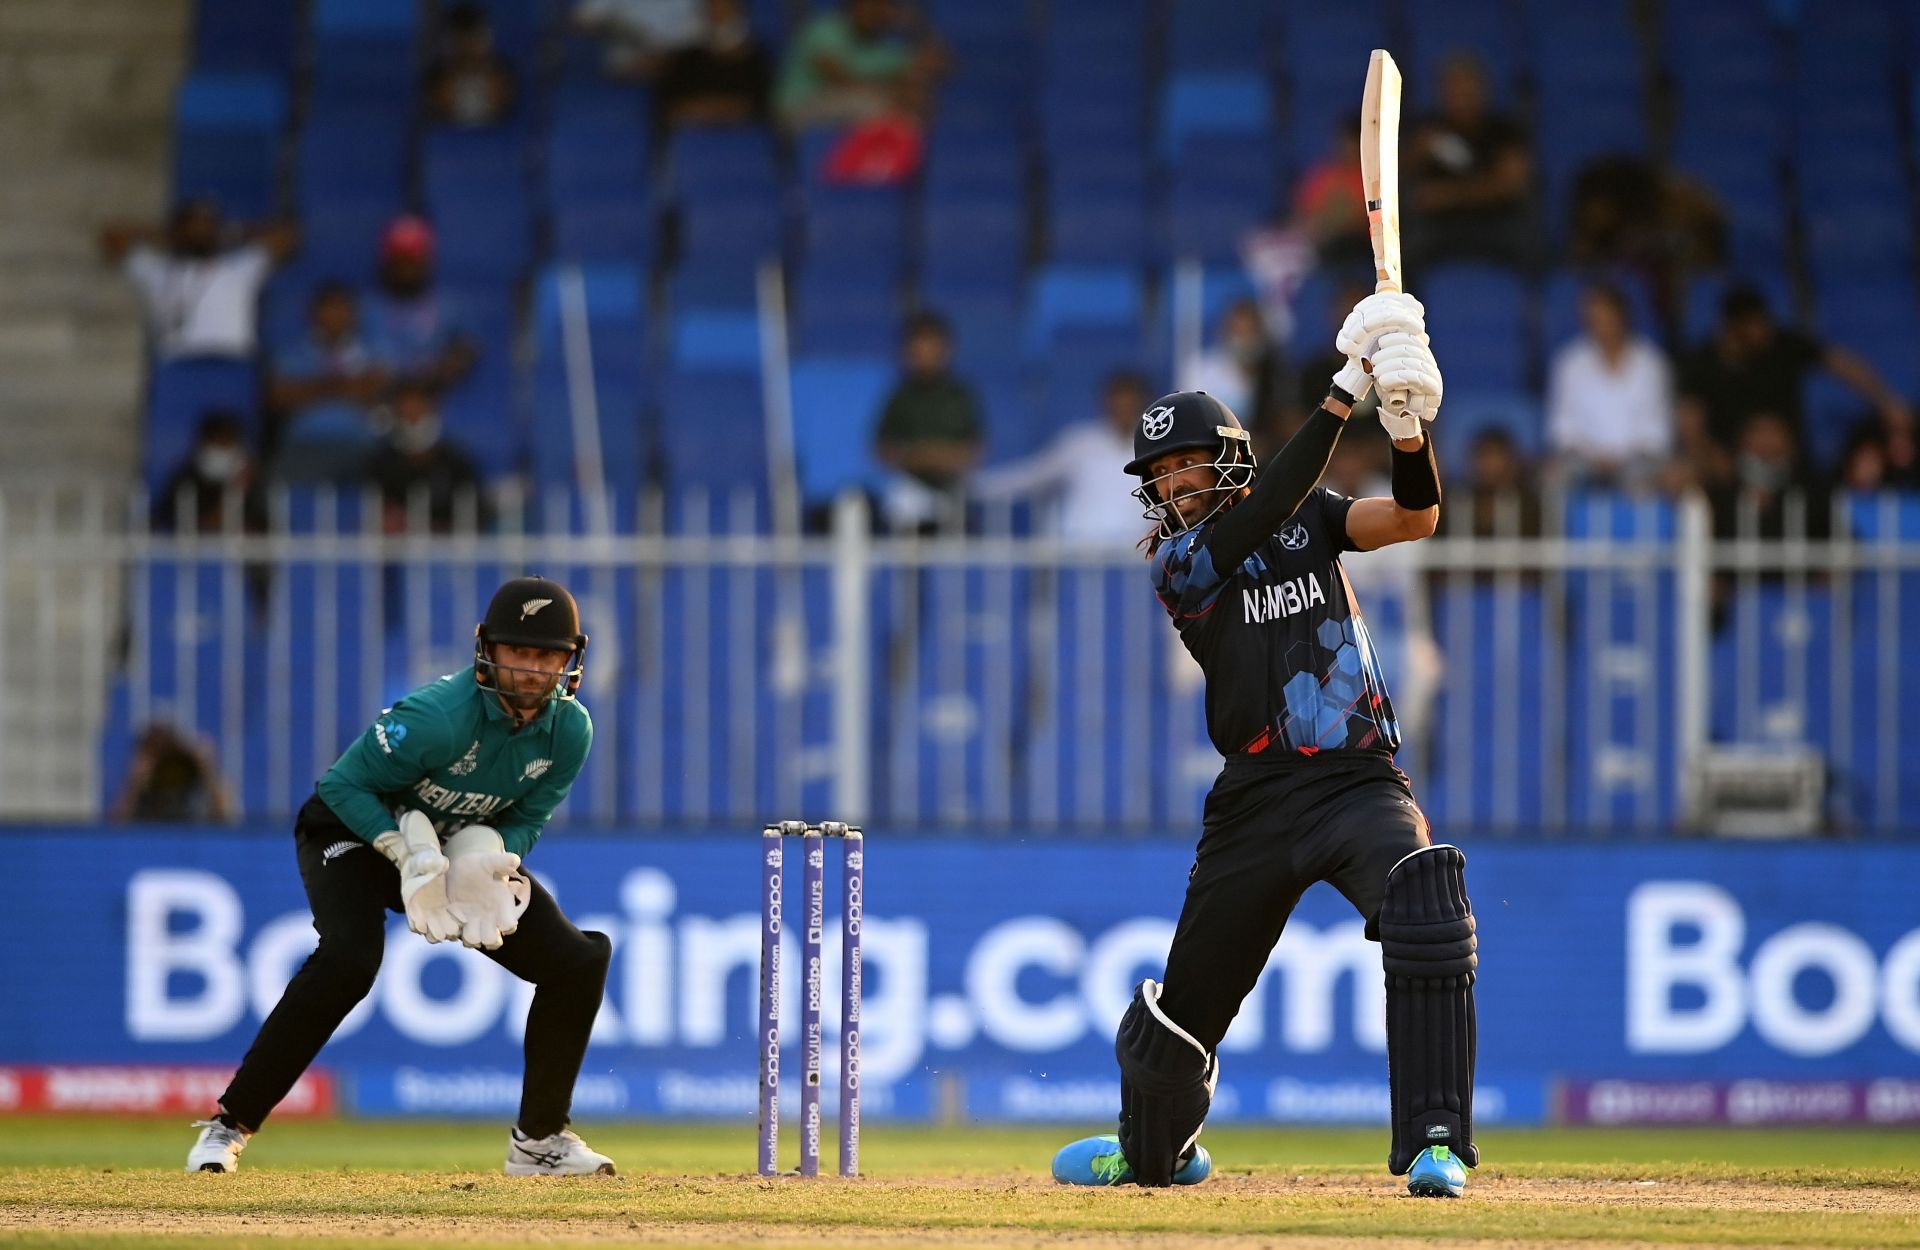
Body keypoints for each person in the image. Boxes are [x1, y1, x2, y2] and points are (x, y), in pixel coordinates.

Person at [1049, 291, 1478, 1200]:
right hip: (1254, 797)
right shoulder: (1181, 564)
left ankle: (1437, 1144)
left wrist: (1405, 432)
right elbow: (1260, 513)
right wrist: (1340, 394)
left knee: (1425, 908)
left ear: (1229, 457)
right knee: (1186, 1009)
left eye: (1186, 465)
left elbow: (1411, 520)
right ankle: (1155, 1150)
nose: (1171, 486)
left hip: (1359, 780)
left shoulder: (1311, 514)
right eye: (1157, 475)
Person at [185, 578, 614, 1177]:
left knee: (579, 960)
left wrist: (485, 857)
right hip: (353, 834)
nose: (534, 670)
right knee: (350, 961)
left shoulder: (570, 731)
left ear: (572, 659)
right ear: (487, 649)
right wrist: (399, 850)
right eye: (520, 652)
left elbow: (529, 816)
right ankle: (228, 1126)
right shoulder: (438, 718)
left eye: (548, 657)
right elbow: (340, 786)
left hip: (444, 850)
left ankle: (538, 1142)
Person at [1677, 286, 1913, 489]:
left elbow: (1842, 365)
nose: (1763, 331)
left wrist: (1886, 400)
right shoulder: (1702, 364)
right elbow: (1690, 425)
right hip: (1731, 467)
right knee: (1681, 475)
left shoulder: (1784, 345)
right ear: (1732, 326)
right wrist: (1713, 457)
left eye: (1764, 322)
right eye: (1754, 325)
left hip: (1790, 464)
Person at [99, 197, 297, 361]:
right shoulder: (157, 270)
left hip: (231, 361)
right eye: (191, 225)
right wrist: (171, 234)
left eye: (206, 225)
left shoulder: (238, 268)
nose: (199, 231)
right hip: (178, 362)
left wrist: (230, 233)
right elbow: (111, 238)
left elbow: (286, 238)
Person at [970, 371, 1153, 546]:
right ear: (1107, 404)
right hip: (1077, 555)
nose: (1124, 412)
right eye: (1119, 406)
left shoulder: (1156, 450)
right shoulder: (1080, 443)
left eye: (1130, 406)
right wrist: (977, 486)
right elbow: (1033, 476)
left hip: (1135, 559)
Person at [1407, 54, 1532, 269]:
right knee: (1404, 253)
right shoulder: (1427, 129)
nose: (1462, 99)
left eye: (1468, 91)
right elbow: (1400, 179)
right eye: (1454, 92)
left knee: (1532, 247)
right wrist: (1417, 154)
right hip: (1439, 225)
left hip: (1495, 222)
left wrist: (1447, 195)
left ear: (1483, 91)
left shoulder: (1505, 132)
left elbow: (1510, 186)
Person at [1545, 283, 1676, 490]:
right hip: (1583, 459)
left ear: (1621, 317)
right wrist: (1594, 457)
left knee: (1651, 482)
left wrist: (1621, 458)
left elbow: (1657, 430)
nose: (1598, 325)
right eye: (1592, 319)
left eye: (1604, 317)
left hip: (1639, 459)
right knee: (1551, 480)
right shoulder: (1569, 363)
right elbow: (1563, 427)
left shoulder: (1652, 364)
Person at [873, 310, 983, 532]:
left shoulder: (960, 396)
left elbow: (971, 451)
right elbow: (882, 449)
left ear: (945, 349)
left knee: (962, 506)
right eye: (918, 347)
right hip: (912, 487)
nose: (925, 354)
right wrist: (919, 457)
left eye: (931, 346)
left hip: (952, 487)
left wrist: (928, 455)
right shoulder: (900, 397)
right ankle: (906, 565)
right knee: (898, 502)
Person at [775, 0, 943, 131]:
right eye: (869, 4)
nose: (874, 11)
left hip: (845, 113)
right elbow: (838, 80)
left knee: (915, 102)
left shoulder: (885, 48)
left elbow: (939, 64)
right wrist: (894, 93)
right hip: (797, 110)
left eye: (882, 7)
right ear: (852, 6)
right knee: (875, 105)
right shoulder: (823, 30)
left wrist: (917, 28)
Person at [362, 217, 477, 394]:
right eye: (399, 260)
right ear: (387, 262)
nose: (406, 270)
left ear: (426, 261)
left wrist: (451, 365)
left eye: (412, 260)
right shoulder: (366, 309)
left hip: (433, 398)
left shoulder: (447, 307)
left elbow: (468, 348)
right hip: (381, 402)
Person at [369, 379, 494, 533]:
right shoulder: (381, 464)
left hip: (450, 550)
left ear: (434, 409)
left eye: (419, 409)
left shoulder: (457, 462)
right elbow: (376, 514)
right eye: (407, 412)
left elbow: (476, 515)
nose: (414, 417)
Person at [1177, 298, 1287, 440]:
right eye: (1237, 331)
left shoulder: (1273, 374)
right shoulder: (1201, 370)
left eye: (1249, 332)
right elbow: (1191, 419)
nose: (1243, 340)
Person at [654, 0, 772, 130]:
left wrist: (713, 109)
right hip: (694, 142)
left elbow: (760, 108)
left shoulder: (755, 61)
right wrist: (705, 110)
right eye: (712, 11)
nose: (718, 17)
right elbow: (670, 109)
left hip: (739, 142)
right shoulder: (686, 60)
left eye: (724, 12)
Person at [151, 410, 266, 534]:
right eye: (216, 443)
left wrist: (241, 487)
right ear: (203, 444)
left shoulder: (253, 481)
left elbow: (268, 527)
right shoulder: (185, 478)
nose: (220, 451)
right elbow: (166, 519)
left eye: (226, 444)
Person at [110, 723, 235, 823]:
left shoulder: (198, 782)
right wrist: (133, 785)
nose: (162, 760)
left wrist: (207, 770)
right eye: (155, 751)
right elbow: (115, 831)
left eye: (166, 749)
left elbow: (226, 821)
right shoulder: (141, 789)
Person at [425, 1, 519, 129]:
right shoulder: (437, 82)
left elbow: (507, 112)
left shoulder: (503, 77)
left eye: (474, 40)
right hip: (449, 139)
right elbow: (439, 111)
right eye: (461, 42)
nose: (468, 48)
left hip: (497, 139)